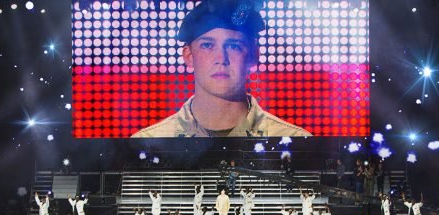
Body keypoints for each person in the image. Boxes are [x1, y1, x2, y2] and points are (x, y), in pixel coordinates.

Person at [131, 0, 310, 138]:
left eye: (234, 46)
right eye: (208, 45)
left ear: (253, 56)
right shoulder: (149, 144)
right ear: (189, 56)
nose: (221, 59)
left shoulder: (295, 142)